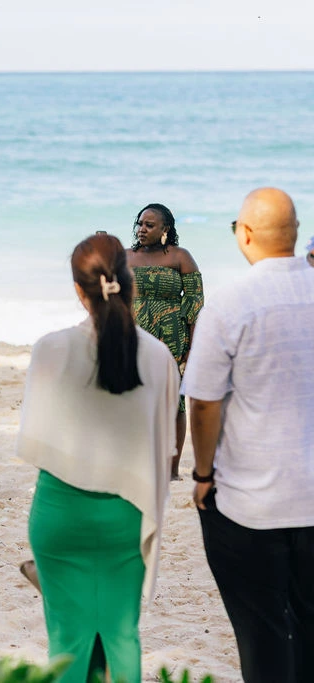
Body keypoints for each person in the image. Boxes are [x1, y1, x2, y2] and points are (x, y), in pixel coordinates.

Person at [18, 233, 179, 683]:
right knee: (121, 636)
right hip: (126, 516)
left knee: (67, 640)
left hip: (59, 514)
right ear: (130, 282)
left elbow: (36, 439)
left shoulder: (49, 348)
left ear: (77, 289)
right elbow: (164, 447)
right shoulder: (160, 356)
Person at [183, 188, 314, 683]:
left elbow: (203, 402)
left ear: (246, 234)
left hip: (250, 506)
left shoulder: (232, 303)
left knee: (260, 635)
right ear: (296, 233)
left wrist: (202, 473)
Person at [127, 203, 203, 479]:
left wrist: (192, 347)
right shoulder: (125, 257)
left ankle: (171, 468)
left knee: (174, 403)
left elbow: (195, 304)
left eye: (149, 225)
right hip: (133, 336)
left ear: (164, 230)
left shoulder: (180, 257)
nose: (141, 229)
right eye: (139, 224)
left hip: (172, 337)